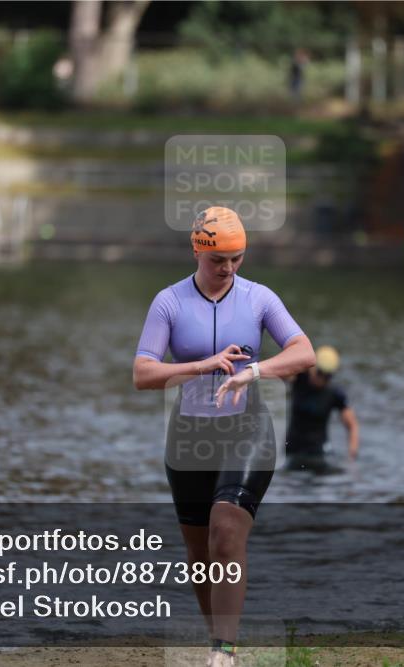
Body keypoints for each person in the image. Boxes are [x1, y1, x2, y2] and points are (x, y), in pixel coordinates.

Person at [133, 206, 315, 667]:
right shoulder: (169, 302)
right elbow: (143, 373)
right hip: (189, 436)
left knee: (227, 529)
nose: (228, 269)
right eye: (219, 260)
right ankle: (219, 637)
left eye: (237, 258)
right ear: (198, 250)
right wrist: (201, 364)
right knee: (200, 553)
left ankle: (223, 654)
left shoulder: (259, 299)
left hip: (247, 430)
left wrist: (253, 371)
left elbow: (304, 352)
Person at [284, 345, 360, 473]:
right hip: (292, 451)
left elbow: (352, 425)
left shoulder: (335, 393)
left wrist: (351, 458)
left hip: (318, 453)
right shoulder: (298, 379)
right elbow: (277, 373)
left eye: (328, 376)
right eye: (320, 373)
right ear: (312, 367)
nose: (322, 380)